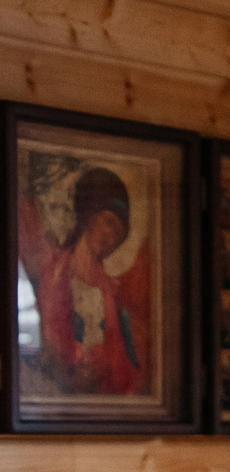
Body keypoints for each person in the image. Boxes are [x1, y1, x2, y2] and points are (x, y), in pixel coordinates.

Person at [17, 163, 150, 396]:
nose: (111, 236)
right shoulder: (54, 271)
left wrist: (104, 369)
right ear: (90, 215)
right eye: (108, 222)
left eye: (119, 233)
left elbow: (124, 364)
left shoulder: (114, 291)